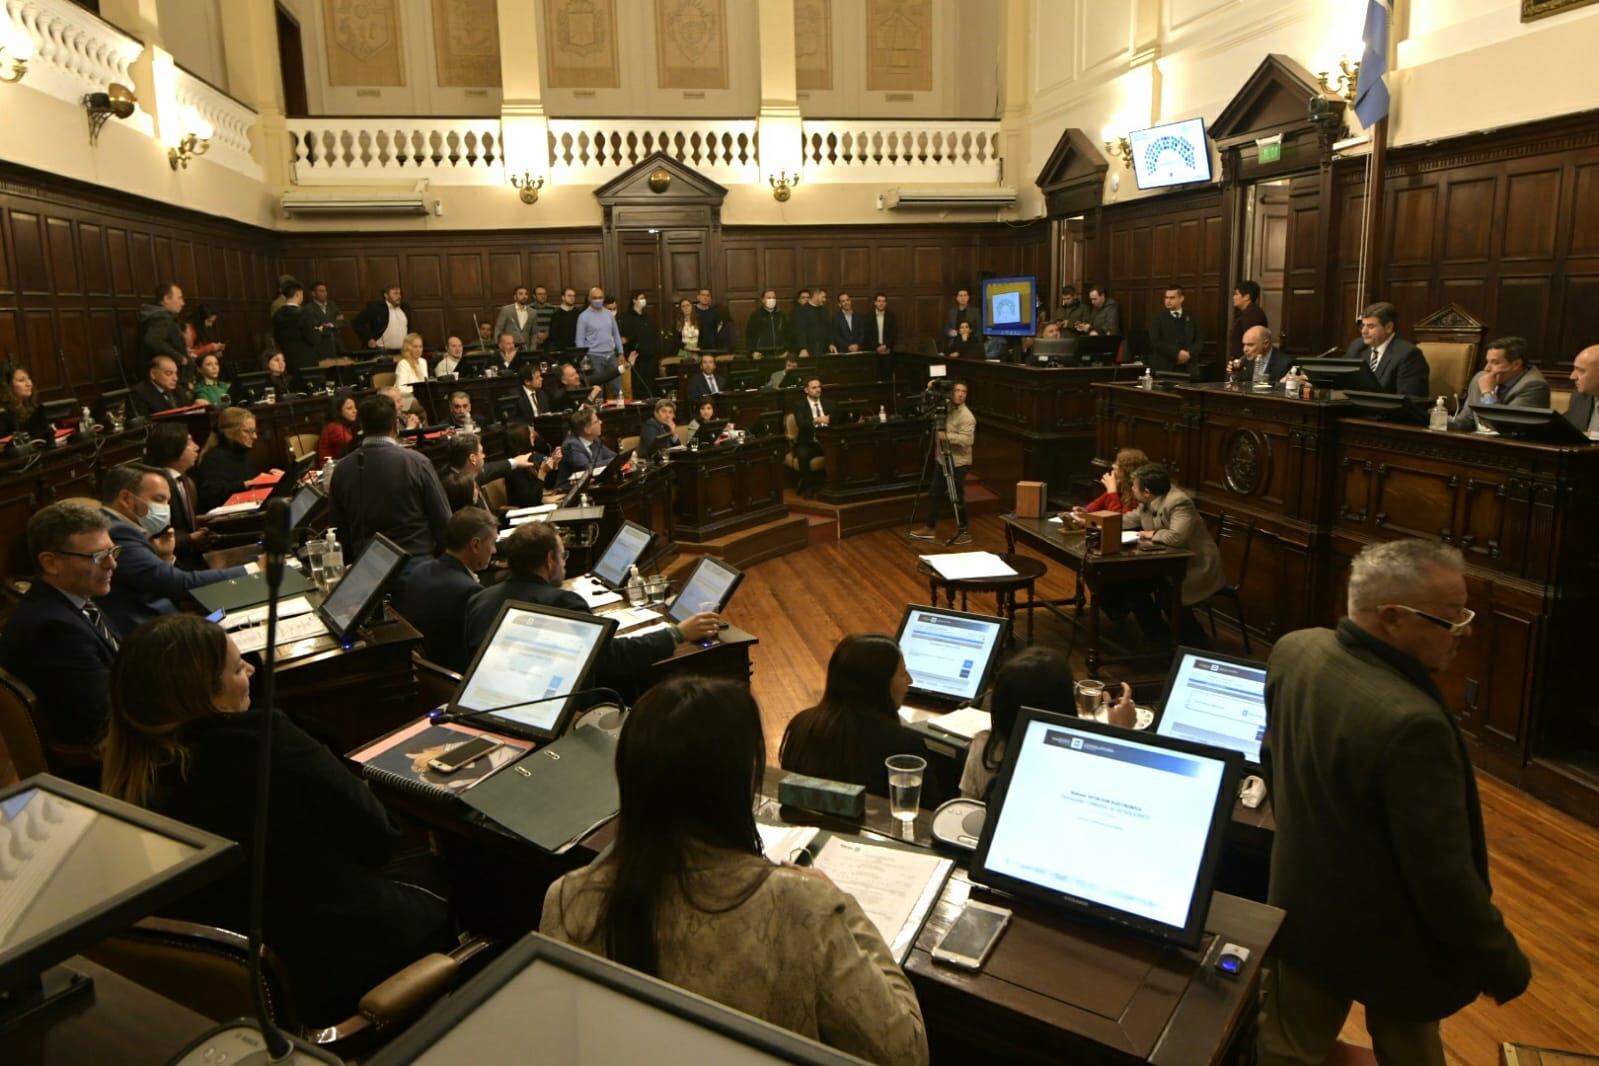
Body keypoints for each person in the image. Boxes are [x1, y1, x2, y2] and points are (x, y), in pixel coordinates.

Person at [542, 675, 927, 1065]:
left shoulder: (567, 898)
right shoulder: (803, 907)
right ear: (739, 781)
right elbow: (906, 1052)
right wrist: (844, 905)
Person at [101, 614, 455, 1026]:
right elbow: (378, 838)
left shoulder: (131, 770)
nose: (251, 670)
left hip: (240, 972)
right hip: (327, 962)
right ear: (201, 694)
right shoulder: (265, 742)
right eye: (237, 668)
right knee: (475, 883)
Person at [1256, 540, 1530, 1066]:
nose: (1466, 630)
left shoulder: (1295, 649)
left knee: (1286, 1048)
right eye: (1452, 618)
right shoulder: (1411, 724)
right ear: (1393, 618)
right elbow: (1442, 876)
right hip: (1397, 944)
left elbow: (1273, 761)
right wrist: (1502, 961)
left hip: (1306, 908)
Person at [463, 522, 718, 681]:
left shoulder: (479, 600)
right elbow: (612, 659)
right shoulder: (563, 603)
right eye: (564, 556)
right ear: (550, 560)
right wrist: (677, 633)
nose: (564, 563)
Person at [0, 501, 123, 748]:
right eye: (99, 556)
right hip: (109, 757)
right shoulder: (52, 629)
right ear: (51, 563)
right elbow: (108, 712)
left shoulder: (73, 599)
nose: (112, 564)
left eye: (113, 551)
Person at [780, 634, 948, 809]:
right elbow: (928, 811)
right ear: (880, 685)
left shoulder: (801, 725)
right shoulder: (904, 744)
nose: (909, 681)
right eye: (903, 673)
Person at [960, 647, 1133, 800]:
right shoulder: (1081, 761)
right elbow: (1122, 790)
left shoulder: (984, 746)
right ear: (1065, 703)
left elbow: (965, 809)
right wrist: (1123, 732)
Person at [97, 465, 248, 633]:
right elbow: (175, 582)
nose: (165, 508)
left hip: (165, 623)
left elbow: (153, 581)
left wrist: (165, 558)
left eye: (167, 501)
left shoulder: (119, 527)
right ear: (126, 499)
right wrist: (251, 571)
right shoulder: (116, 532)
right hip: (151, 634)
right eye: (159, 499)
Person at [1102, 463, 1224, 647]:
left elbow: (1177, 537)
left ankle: (1197, 644)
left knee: (1168, 595)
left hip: (1195, 567)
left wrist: (1152, 534)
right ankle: (1158, 635)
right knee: (1130, 584)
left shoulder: (1178, 502)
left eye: (1134, 486)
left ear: (1147, 491)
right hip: (1165, 562)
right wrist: (1092, 520)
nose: (1132, 488)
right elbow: (1127, 520)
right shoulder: (1148, 502)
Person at [328, 394, 452, 563]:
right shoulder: (417, 462)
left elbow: (338, 530)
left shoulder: (341, 469)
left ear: (362, 426)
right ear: (395, 424)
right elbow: (443, 521)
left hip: (368, 568)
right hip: (418, 562)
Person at [391, 507, 496, 671]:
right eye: (492, 543)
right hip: (451, 679)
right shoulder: (471, 592)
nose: (494, 550)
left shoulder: (420, 570)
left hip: (422, 673)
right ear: (475, 545)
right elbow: (477, 656)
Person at [908, 381, 975, 545]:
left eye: (963, 391)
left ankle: (963, 532)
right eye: (957, 390)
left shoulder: (967, 416)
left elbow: (968, 440)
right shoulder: (945, 406)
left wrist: (947, 437)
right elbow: (927, 404)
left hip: (958, 463)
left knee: (957, 497)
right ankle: (929, 528)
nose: (960, 394)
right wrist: (930, 388)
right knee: (934, 493)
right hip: (942, 460)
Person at [143, 422, 210, 568]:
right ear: (172, 447)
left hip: (192, 559)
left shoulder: (186, 481)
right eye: (189, 442)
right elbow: (151, 536)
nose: (196, 447)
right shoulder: (154, 486)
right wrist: (188, 539)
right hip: (168, 564)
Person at [1450, 336, 1551, 431]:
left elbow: (1505, 428)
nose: (1486, 368)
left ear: (1516, 365)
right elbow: (1464, 421)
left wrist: (1488, 393)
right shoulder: (1480, 378)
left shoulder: (1534, 386)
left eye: (1495, 362)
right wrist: (1437, 420)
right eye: (1487, 362)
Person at [445, 431, 548, 509]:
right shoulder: (456, 487)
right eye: (481, 452)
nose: (484, 456)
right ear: (473, 458)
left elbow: (491, 469)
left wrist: (515, 462)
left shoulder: (468, 474)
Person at [1347, 302, 1430, 397]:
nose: (1363, 331)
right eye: (1362, 326)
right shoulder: (1357, 347)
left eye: (1370, 326)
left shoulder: (1409, 355)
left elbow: (1410, 401)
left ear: (1389, 327)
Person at [195, 407, 263, 513]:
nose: (255, 436)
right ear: (228, 433)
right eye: (247, 431)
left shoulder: (242, 454)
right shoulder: (214, 458)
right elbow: (211, 494)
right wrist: (244, 485)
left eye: (254, 431)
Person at [577, 286, 625, 401]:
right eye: (595, 298)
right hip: (594, 358)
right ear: (589, 299)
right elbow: (579, 340)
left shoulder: (609, 314)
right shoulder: (583, 317)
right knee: (598, 392)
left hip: (611, 356)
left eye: (600, 297)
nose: (598, 300)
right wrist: (583, 359)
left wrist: (621, 353)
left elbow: (616, 334)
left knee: (618, 390)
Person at [1072, 446, 1149, 518]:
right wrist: (1086, 511)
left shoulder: (1137, 491)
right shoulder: (1121, 484)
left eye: (1117, 464)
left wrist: (1112, 492)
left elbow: (1119, 519)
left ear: (1127, 470)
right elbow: (1098, 504)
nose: (1113, 466)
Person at [139, 282, 191, 379]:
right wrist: (180, 358)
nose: (182, 303)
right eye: (179, 298)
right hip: (166, 374)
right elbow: (153, 340)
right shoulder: (162, 316)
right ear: (166, 298)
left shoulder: (157, 315)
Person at [556, 404, 616, 489]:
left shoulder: (595, 440)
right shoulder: (570, 445)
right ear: (587, 430)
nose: (601, 422)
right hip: (567, 492)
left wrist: (618, 460)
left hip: (591, 486)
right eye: (597, 421)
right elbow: (587, 467)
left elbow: (613, 456)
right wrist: (613, 462)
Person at [1148, 285, 1203, 376]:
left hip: (1188, 368)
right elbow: (1155, 341)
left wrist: (1189, 354)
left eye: (1172, 298)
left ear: (1181, 298)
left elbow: (1199, 340)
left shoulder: (1192, 317)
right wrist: (1177, 353)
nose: (1168, 301)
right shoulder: (1158, 318)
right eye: (1166, 298)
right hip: (1165, 367)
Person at [792, 376, 831, 498]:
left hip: (827, 441)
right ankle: (809, 487)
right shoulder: (800, 405)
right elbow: (802, 424)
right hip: (808, 442)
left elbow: (837, 419)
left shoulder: (828, 403)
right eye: (814, 388)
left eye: (819, 387)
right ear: (806, 390)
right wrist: (817, 420)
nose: (818, 390)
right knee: (803, 455)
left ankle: (834, 485)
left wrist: (830, 419)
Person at [272, 280, 319, 380]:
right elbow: (312, 339)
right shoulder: (304, 314)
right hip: (306, 360)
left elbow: (276, 336)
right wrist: (318, 330)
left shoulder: (277, 315)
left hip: (287, 359)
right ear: (298, 293)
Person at [618, 289, 659, 399]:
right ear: (634, 300)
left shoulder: (648, 317)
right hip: (636, 358)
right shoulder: (626, 318)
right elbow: (625, 338)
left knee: (650, 384)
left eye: (644, 298)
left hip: (650, 356)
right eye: (641, 298)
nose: (643, 300)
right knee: (638, 386)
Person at [129, 354, 196, 417]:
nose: (175, 378)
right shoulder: (139, 392)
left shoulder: (179, 389)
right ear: (153, 374)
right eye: (169, 373)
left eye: (176, 373)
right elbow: (141, 424)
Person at [354, 285, 412, 351]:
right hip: (381, 352)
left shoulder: (405, 308)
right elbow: (357, 322)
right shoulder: (376, 307)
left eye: (399, 293)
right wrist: (368, 339)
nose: (399, 296)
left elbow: (409, 328)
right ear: (386, 295)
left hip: (403, 351)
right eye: (395, 293)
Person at [0, 363, 48, 439]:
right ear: (7, 386)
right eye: (21, 380)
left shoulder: (35, 409)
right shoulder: (3, 415)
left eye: (29, 378)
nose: (29, 384)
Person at [1227, 280, 1269, 361]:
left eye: (1236, 294)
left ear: (1246, 297)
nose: (1233, 297)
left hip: (1248, 362)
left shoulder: (1253, 314)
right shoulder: (1247, 312)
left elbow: (1253, 344)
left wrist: (1242, 362)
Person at [1564, 343, 1599, 438]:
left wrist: (1592, 435)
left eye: (1581, 370)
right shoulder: (1580, 396)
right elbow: (1565, 428)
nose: (1572, 376)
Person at [304, 281, 344, 363]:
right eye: (321, 291)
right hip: (321, 347)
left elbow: (344, 322)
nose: (325, 293)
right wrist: (333, 323)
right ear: (313, 293)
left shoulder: (332, 305)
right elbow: (316, 327)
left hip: (337, 345)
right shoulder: (308, 308)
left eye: (325, 291)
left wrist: (332, 324)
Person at [745, 289, 791, 358]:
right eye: (769, 298)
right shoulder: (756, 315)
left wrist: (787, 350)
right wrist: (752, 352)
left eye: (774, 298)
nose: (772, 300)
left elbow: (788, 333)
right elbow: (750, 335)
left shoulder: (781, 315)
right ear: (763, 300)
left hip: (780, 354)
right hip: (761, 355)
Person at [317, 390, 360, 463]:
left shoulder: (346, 425)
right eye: (349, 408)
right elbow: (355, 445)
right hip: (329, 470)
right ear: (338, 411)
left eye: (355, 407)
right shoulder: (333, 427)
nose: (355, 411)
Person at [493, 285, 537, 350]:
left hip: (526, 348)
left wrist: (533, 348)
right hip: (509, 347)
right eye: (520, 294)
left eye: (526, 294)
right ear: (515, 297)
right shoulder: (506, 310)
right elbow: (498, 328)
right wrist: (498, 345)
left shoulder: (533, 312)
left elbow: (534, 332)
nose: (524, 296)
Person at [791, 287, 829, 358]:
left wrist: (831, 343)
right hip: (808, 351)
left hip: (823, 351)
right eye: (823, 297)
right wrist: (803, 348)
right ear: (816, 295)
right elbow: (800, 331)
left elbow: (829, 328)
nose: (825, 300)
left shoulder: (824, 311)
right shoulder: (801, 311)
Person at [547, 287, 582, 351]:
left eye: (574, 296)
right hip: (562, 350)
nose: (572, 298)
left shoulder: (578, 313)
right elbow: (553, 336)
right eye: (569, 296)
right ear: (563, 297)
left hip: (576, 348)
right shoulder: (556, 314)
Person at [529, 284, 555, 350]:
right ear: (534, 296)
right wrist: (537, 334)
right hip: (533, 340)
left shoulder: (552, 308)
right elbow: (528, 325)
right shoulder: (529, 308)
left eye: (544, 294)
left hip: (548, 341)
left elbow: (554, 324)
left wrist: (546, 334)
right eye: (540, 294)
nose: (543, 296)